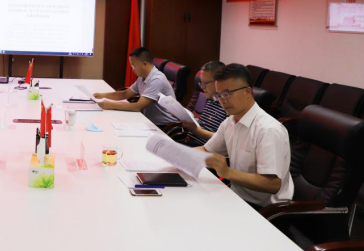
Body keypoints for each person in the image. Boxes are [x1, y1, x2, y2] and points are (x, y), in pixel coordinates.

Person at [196, 63, 294, 208]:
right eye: (219, 95)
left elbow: (272, 184)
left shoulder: (268, 130)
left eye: (227, 93)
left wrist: (227, 172)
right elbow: (206, 150)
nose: (222, 100)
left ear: (247, 91)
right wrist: (172, 152)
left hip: (265, 210)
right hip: (235, 197)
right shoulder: (230, 122)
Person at [92, 47, 179, 127]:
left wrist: (111, 105)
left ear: (144, 64)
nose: (132, 69)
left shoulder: (156, 80)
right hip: (150, 121)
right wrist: (102, 95)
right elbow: (125, 94)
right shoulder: (142, 77)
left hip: (165, 126)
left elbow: (138, 107)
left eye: (134, 65)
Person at [171, 61, 229, 146]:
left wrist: (196, 130)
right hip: (188, 141)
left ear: (219, 81)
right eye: (201, 83)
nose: (202, 87)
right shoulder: (211, 99)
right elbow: (205, 123)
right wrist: (186, 118)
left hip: (202, 148)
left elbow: (223, 140)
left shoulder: (229, 106)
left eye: (205, 83)